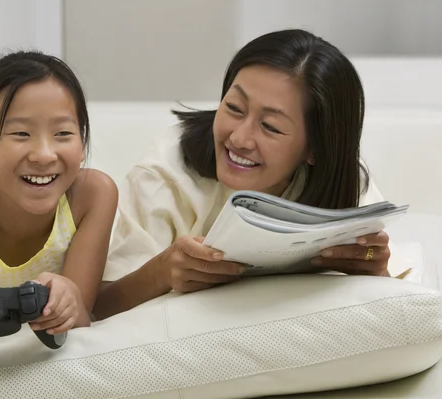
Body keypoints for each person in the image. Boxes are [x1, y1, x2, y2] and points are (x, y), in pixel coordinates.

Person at [93, 29, 392, 321]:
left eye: (270, 127)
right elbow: (99, 308)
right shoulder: (165, 173)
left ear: (315, 148)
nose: (239, 139)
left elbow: (396, 306)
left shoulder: (344, 183)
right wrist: (162, 272)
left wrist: (375, 271)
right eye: (234, 108)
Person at [0, 51, 118, 357]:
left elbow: (80, 322)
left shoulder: (94, 194)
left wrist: (69, 304)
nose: (44, 154)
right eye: (21, 133)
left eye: (63, 134)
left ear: (82, 145)